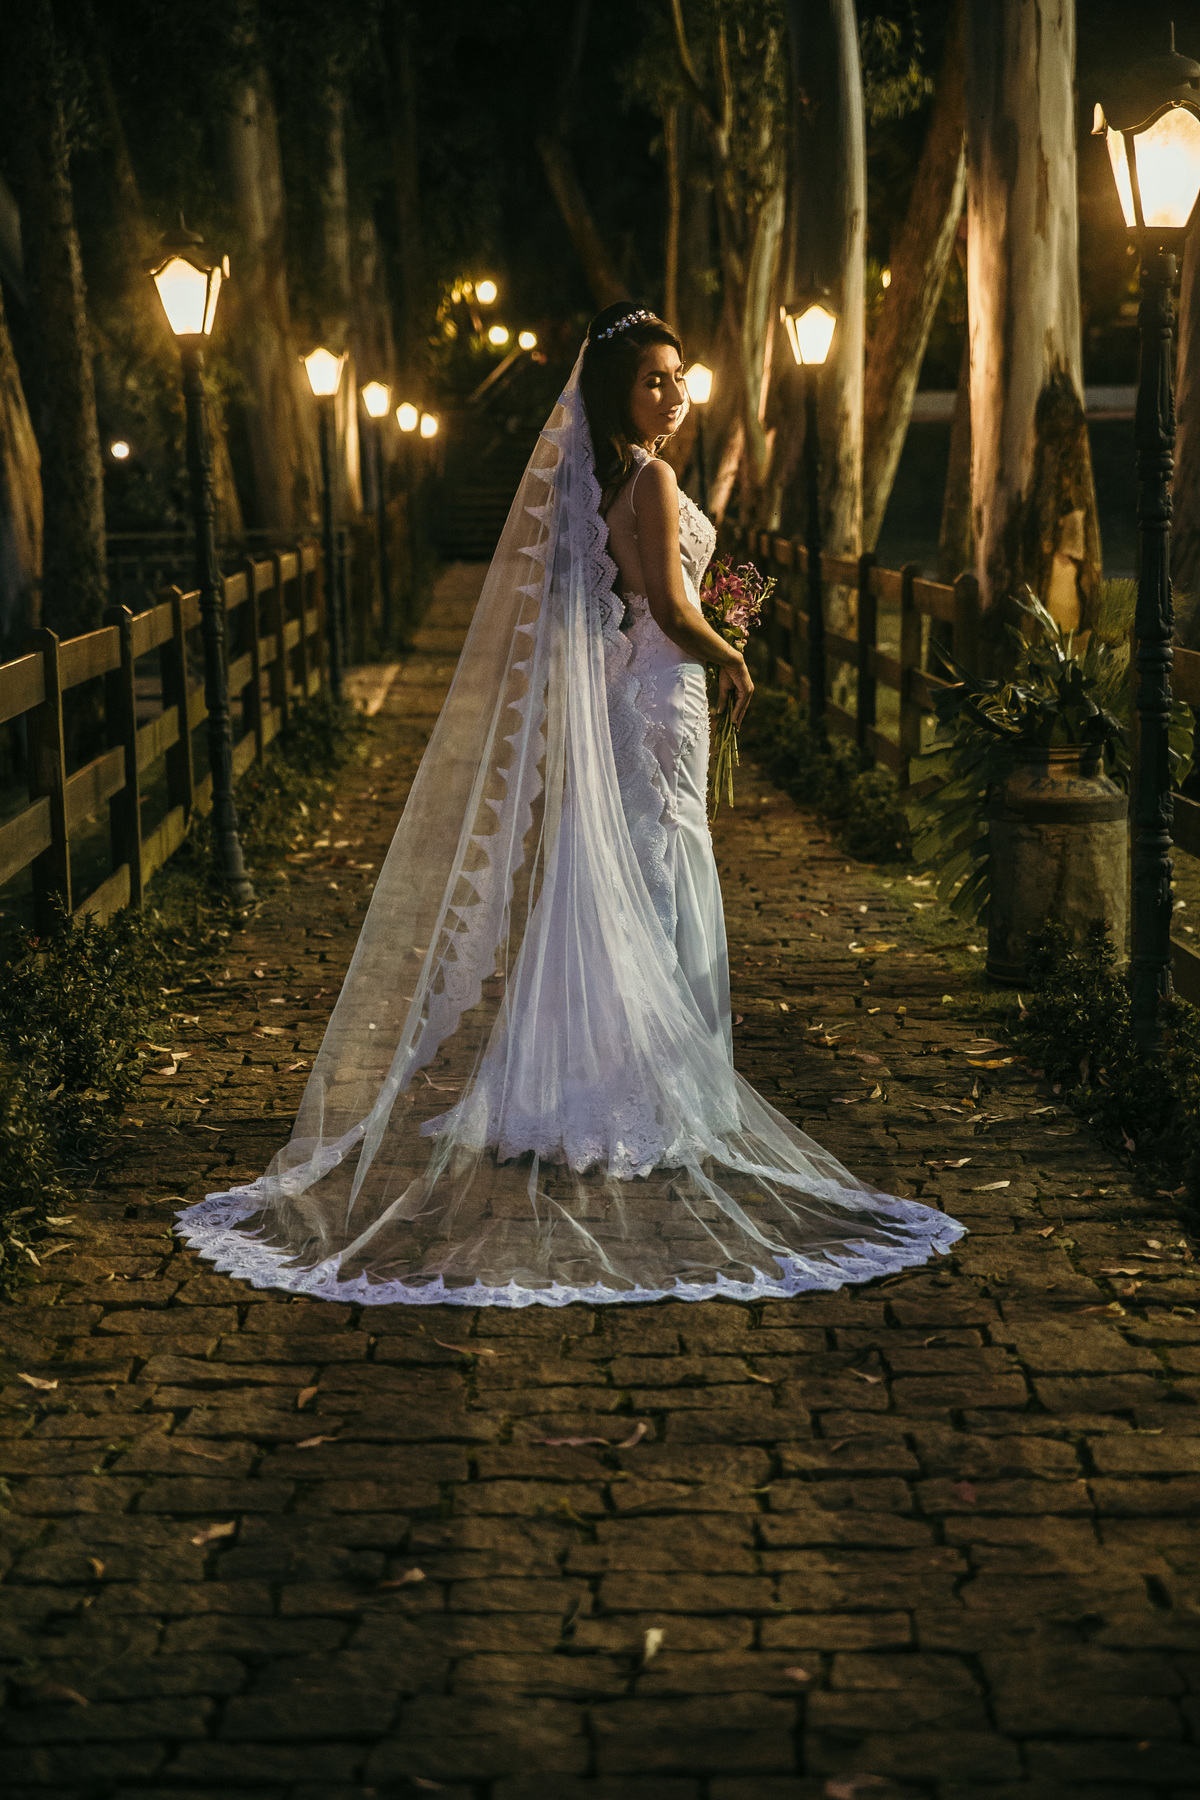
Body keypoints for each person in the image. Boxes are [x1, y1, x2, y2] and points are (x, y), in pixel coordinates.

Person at [179, 305, 963, 1306]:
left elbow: (637, 594)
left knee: (629, 865)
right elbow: (674, 609)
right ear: (615, 392)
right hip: (661, 685)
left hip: (630, 684)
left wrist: (712, 616)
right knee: (661, 861)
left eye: (680, 377)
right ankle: (654, 1090)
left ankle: (600, 1078)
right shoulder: (653, 477)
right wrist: (734, 652)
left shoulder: (604, 481)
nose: (674, 394)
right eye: (653, 380)